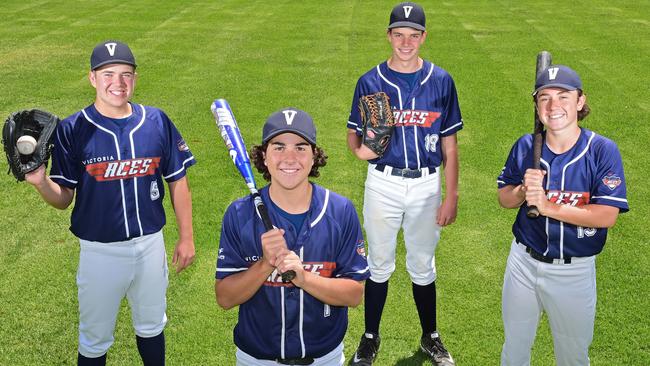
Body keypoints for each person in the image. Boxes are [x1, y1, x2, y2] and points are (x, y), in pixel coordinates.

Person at [24, 40, 196, 365]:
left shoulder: (157, 121)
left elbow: (178, 180)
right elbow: (63, 198)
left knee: (152, 326)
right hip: (100, 252)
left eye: (126, 75)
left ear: (135, 78)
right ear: (92, 78)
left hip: (150, 246)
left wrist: (186, 237)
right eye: (108, 74)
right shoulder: (72, 129)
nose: (118, 83)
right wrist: (40, 182)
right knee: (94, 339)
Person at [346, 2, 462, 365]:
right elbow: (354, 134)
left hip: (428, 186)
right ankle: (369, 338)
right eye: (399, 34)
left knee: (423, 265)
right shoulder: (370, 81)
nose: (406, 42)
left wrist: (451, 195)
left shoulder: (441, 81)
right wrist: (362, 152)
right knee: (378, 264)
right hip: (383, 184)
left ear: (423, 37)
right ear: (389, 36)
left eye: (413, 35)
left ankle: (431, 336)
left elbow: (450, 144)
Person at [215, 107, 370, 365]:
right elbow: (225, 297)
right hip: (257, 359)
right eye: (278, 147)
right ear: (264, 157)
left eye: (300, 147)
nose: (289, 157)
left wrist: (304, 279)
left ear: (313, 157)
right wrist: (265, 265)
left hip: (324, 359)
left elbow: (354, 294)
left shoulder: (340, 211)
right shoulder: (239, 214)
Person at [497, 64, 628, 365]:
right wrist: (522, 192)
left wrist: (548, 206)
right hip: (522, 264)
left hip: (574, 272)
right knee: (514, 350)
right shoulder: (527, 146)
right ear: (537, 105)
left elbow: (606, 215)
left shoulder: (602, 151)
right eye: (544, 97)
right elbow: (504, 198)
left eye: (563, 96)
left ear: (580, 102)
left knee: (573, 357)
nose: (553, 106)